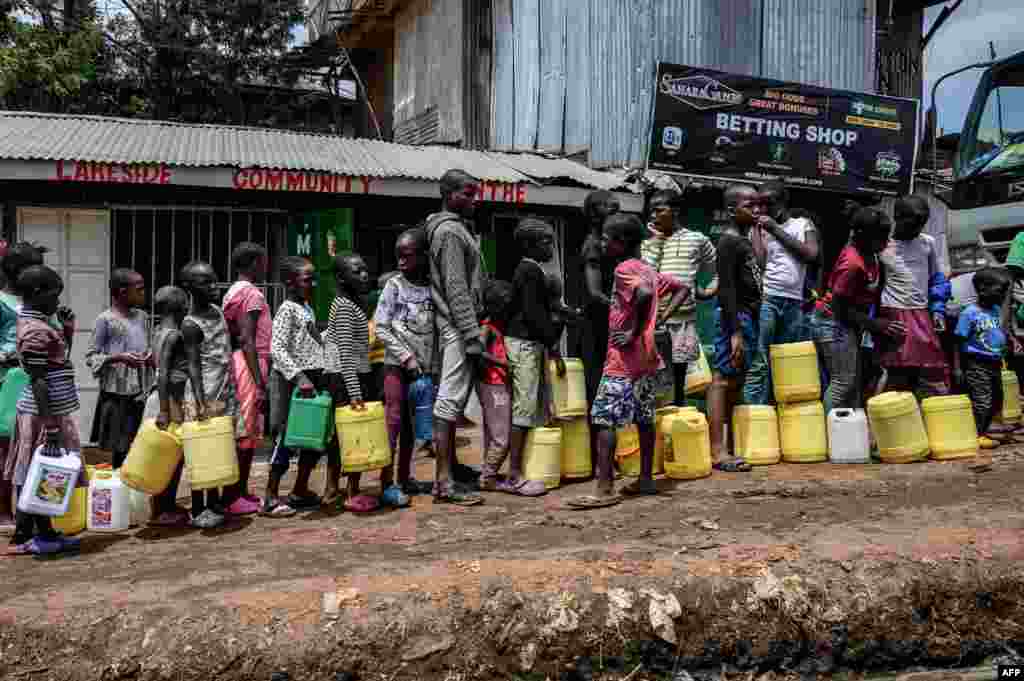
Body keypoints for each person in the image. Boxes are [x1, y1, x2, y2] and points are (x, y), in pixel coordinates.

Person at [568, 214, 689, 509]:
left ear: (621, 243)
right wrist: (659, 318)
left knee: (605, 419)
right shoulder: (648, 268)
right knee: (644, 419)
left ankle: (605, 488)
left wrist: (633, 330)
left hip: (622, 360)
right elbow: (682, 288)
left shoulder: (624, 269)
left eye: (608, 239)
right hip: (646, 361)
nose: (603, 243)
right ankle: (646, 479)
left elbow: (645, 293)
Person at [6, 265, 84, 554]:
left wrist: (66, 331)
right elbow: (39, 380)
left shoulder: (40, 323)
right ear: (37, 294)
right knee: (41, 474)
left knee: (42, 473)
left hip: (48, 411)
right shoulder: (36, 330)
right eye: (55, 295)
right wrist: (51, 426)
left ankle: (39, 532)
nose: (58, 302)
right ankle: (36, 536)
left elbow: (58, 362)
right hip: (42, 414)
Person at [426, 169, 486, 506]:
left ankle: (450, 473)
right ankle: (444, 482)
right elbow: (456, 288)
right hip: (457, 327)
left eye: (476, 193)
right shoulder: (449, 232)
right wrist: (470, 333)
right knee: (448, 402)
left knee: (452, 402)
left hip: (457, 326)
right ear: (448, 194)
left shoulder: (456, 229)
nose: (474, 199)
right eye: (468, 193)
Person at [811, 207, 906, 410]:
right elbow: (838, 307)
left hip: (847, 323)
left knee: (852, 383)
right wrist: (875, 324)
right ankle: (826, 434)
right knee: (842, 383)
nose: (886, 242)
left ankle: (846, 432)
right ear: (863, 236)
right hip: (832, 322)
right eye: (880, 238)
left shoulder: (867, 252)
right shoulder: (853, 265)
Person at [265, 256, 336, 517]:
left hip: (312, 381)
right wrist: (299, 377)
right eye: (308, 279)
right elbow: (277, 349)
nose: (313, 284)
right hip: (293, 382)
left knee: (311, 438)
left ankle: (300, 489)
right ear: (290, 283)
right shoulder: (287, 310)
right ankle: (270, 496)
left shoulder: (306, 308)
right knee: (286, 437)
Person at [326, 253, 397, 512]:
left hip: (353, 374)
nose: (364, 275)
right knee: (353, 433)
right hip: (349, 377)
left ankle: (334, 490)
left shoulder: (352, 303)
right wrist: (355, 392)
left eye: (365, 270)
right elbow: (345, 352)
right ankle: (350, 492)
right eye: (357, 272)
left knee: (342, 435)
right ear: (341, 278)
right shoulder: (344, 306)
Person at [501, 218, 566, 497]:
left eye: (551, 240)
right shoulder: (528, 271)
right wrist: (552, 338)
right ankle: (514, 474)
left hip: (530, 343)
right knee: (524, 407)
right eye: (544, 241)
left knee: (530, 407)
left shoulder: (533, 270)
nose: (550, 246)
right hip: (524, 344)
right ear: (528, 245)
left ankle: (523, 467)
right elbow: (533, 313)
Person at [743, 181, 820, 405]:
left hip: (794, 303)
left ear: (779, 204)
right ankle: (756, 412)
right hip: (769, 298)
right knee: (761, 359)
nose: (760, 210)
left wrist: (774, 230)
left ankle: (781, 412)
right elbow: (761, 263)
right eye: (757, 205)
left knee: (786, 359)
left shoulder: (802, 224)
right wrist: (758, 231)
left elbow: (811, 254)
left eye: (765, 204)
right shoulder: (761, 229)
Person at [374, 229, 436, 499]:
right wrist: (407, 358)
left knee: (413, 427)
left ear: (423, 256)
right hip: (396, 367)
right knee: (394, 422)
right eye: (398, 257)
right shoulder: (394, 287)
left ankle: (404, 477)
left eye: (407, 256)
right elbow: (381, 327)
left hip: (423, 370)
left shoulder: (434, 288)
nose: (401, 262)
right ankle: (387, 484)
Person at [641, 188, 718, 406]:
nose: (653, 216)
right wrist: (656, 241)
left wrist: (706, 291)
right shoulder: (647, 244)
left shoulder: (696, 239)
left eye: (659, 210)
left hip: (684, 319)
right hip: (656, 321)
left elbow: (715, 267)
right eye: (651, 212)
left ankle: (678, 412)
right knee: (656, 377)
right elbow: (648, 275)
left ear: (675, 211)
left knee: (680, 377)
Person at [179, 261, 241, 529]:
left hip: (225, 390)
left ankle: (215, 502)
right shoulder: (191, 324)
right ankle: (198, 507)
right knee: (200, 452)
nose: (213, 287)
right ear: (189, 288)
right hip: (204, 393)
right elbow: (193, 364)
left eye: (214, 280)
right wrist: (201, 399)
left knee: (218, 449)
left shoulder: (217, 311)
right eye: (205, 282)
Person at [707, 185, 763, 472]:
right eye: (749, 205)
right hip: (735, 317)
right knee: (721, 381)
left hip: (747, 317)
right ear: (731, 210)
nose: (757, 209)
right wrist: (735, 332)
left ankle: (728, 445)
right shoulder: (728, 242)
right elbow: (727, 289)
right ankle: (717, 450)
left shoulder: (744, 239)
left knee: (736, 382)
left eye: (759, 204)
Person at [876, 195, 950, 398]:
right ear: (897, 217)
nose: (918, 227)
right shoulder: (883, 246)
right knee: (896, 371)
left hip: (921, 314)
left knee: (923, 369)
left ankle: (914, 416)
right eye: (914, 222)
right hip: (893, 313)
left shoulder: (927, 243)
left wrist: (938, 309)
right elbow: (874, 285)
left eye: (922, 222)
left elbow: (937, 279)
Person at [220, 243, 271, 516]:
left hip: (239, 361)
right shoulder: (251, 294)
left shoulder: (232, 292)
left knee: (246, 430)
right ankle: (233, 496)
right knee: (246, 431)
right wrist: (260, 382)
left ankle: (239, 491)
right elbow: (247, 339)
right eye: (263, 263)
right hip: (251, 364)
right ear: (253, 264)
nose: (265, 268)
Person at [85, 269, 152, 471]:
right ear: (122, 292)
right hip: (116, 393)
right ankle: (119, 488)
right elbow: (91, 356)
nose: (143, 294)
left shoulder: (142, 317)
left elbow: (146, 346)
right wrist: (118, 357)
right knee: (120, 447)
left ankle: (133, 488)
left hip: (141, 391)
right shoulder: (105, 320)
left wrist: (149, 356)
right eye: (139, 290)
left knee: (139, 442)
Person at [0, 242, 45, 532]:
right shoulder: (2, 303)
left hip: (36, 381)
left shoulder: (39, 302)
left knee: (34, 444)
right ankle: (4, 510)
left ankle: (31, 510)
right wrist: (8, 356)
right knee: (5, 447)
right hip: (7, 380)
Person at [578, 190, 620, 470]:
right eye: (609, 207)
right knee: (597, 389)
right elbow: (594, 292)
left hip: (610, 323)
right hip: (597, 325)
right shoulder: (593, 245)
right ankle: (598, 459)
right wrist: (622, 308)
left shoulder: (611, 245)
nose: (616, 209)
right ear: (594, 214)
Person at [144, 286, 192, 527]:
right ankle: (163, 508)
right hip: (168, 400)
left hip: (161, 398)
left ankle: (164, 505)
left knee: (164, 455)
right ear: (181, 307)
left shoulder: (157, 331)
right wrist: (165, 410)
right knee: (171, 456)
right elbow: (163, 372)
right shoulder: (173, 335)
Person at [954, 267, 1011, 450]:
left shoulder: (994, 310)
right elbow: (958, 340)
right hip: (976, 364)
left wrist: (1009, 342)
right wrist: (957, 368)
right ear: (982, 289)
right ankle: (978, 434)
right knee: (982, 400)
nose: (1003, 296)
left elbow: (996, 332)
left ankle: (987, 430)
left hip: (994, 363)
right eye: (1000, 291)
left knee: (997, 398)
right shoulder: (969, 313)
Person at [478, 279, 514, 490]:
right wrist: (503, 363)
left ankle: (487, 472)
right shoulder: (488, 328)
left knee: (493, 433)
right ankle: (488, 476)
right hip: (494, 385)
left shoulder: (496, 327)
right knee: (502, 436)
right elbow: (479, 351)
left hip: (495, 384)